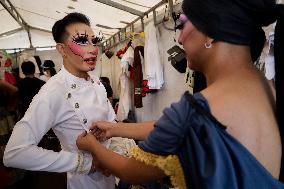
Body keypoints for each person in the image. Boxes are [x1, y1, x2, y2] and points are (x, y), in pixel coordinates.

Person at [76, 0, 284, 188]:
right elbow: (171, 127)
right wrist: (115, 129)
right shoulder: (270, 90)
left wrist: (93, 146)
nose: (180, 38)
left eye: (183, 24)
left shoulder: (194, 112)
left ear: (210, 31)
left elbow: (131, 171)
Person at [3, 12, 129, 189]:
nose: (93, 48)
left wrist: (115, 157)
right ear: (62, 50)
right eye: (82, 41)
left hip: (111, 178)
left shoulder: (96, 82)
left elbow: (111, 123)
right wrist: (85, 164)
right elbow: (15, 153)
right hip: (83, 183)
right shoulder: (54, 91)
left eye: (94, 41)